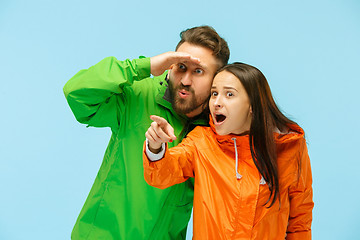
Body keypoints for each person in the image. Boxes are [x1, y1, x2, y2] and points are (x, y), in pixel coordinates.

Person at [63, 26, 230, 239]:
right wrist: (146, 66)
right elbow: (77, 93)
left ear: (216, 80)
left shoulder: (217, 129)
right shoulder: (139, 94)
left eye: (198, 71)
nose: (186, 81)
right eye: (180, 67)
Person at [144, 62, 314, 239]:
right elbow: (162, 173)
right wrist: (155, 146)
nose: (217, 102)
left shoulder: (289, 147)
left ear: (253, 106)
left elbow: (299, 220)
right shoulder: (202, 141)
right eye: (214, 93)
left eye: (229, 94)